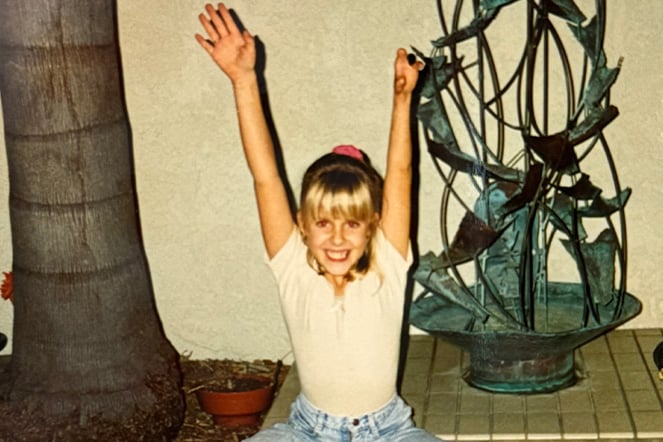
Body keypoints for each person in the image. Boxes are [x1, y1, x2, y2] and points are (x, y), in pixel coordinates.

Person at [195, 3, 440, 441]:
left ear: (373, 227)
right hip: (308, 430)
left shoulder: (388, 261)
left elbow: (400, 173)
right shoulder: (292, 266)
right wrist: (243, 80)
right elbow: (265, 176)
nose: (338, 237)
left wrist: (402, 100)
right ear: (302, 226)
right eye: (324, 223)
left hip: (388, 431)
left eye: (352, 224)